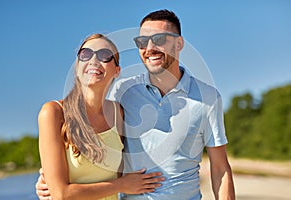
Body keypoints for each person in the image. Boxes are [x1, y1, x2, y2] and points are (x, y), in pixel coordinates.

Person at [37, 10, 235, 199]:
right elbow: (88, 144)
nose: (149, 48)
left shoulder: (208, 98)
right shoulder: (122, 93)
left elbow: (220, 168)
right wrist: (49, 180)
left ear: (179, 44)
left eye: (159, 39)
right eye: (142, 41)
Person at [37, 33, 164, 200]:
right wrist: (123, 185)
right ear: (77, 66)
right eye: (86, 54)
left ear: (117, 71)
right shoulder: (54, 112)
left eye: (104, 55)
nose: (93, 60)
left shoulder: (118, 113)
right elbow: (61, 194)